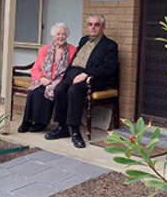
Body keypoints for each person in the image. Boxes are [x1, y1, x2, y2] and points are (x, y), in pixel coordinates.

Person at [44, 14, 118, 148]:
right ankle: (62, 128)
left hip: (93, 78)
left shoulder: (110, 45)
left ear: (103, 27)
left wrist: (86, 74)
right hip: (74, 73)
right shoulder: (84, 40)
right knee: (59, 89)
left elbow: (108, 69)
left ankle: (75, 131)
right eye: (90, 24)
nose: (93, 27)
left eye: (96, 25)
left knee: (74, 90)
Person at [18, 23, 76, 133]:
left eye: (63, 34)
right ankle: (27, 122)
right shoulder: (44, 49)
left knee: (51, 91)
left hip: (60, 81)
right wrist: (42, 78)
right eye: (58, 34)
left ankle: (41, 123)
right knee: (34, 92)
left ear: (67, 36)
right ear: (53, 36)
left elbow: (73, 70)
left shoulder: (72, 50)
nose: (60, 37)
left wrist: (59, 81)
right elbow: (35, 69)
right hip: (45, 79)